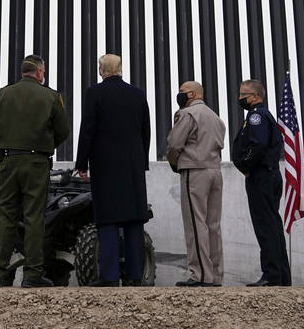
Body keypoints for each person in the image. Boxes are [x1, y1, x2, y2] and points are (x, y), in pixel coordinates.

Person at [0, 54, 70, 287]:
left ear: (23, 72)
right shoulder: (51, 97)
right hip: (36, 164)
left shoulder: (1, 95)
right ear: (40, 73)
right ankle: (32, 275)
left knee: (6, 217)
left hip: (7, 162)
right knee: (34, 218)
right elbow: (63, 131)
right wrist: (44, 145)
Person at [74, 53, 151, 286]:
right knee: (134, 220)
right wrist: (142, 161)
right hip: (132, 166)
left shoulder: (94, 93)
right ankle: (136, 276)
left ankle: (109, 276)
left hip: (105, 165)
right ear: (120, 69)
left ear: (101, 70)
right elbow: (145, 130)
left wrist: (81, 164)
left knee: (107, 219)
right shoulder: (137, 94)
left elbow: (87, 129)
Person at [165, 80, 226, 287]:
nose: (179, 95)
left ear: (192, 94)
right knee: (213, 225)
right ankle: (216, 275)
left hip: (195, 170)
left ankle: (200, 275)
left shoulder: (188, 114)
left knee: (195, 223)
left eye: (182, 91)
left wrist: (174, 162)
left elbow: (174, 144)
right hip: (215, 171)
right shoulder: (216, 118)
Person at [231, 78, 290, 286]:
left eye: (243, 95)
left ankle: (271, 275)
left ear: (254, 96)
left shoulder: (256, 116)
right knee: (273, 225)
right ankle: (281, 275)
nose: (240, 99)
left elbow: (257, 146)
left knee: (266, 227)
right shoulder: (262, 116)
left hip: (261, 176)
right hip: (269, 175)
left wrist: (245, 166)